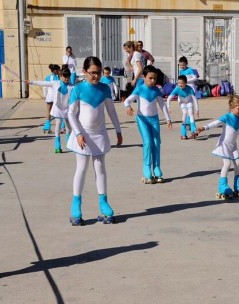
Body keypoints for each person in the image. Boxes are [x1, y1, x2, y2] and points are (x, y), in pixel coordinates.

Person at [67, 56, 122, 226]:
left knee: (100, 168)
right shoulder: (77, 89)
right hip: (83, 135)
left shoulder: (105, 88)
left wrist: (118, 130)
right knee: (81, 169)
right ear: (84, 72)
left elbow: (111, 111)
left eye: (98, 73)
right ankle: (76, 205)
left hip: (99, 134)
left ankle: (103, 202)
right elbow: (70, 114)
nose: (96, 76)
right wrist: (77, 133)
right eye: (92, 73)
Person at [195, 95, 239, 198]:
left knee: (238, 163)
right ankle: (222, 186)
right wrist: (204, 128)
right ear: (232, 107)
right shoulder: (227, 117)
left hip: (233, 145)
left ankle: (238, 185)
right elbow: (216, 123)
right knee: (227, 164)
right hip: (224, 145)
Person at [124, 65, 172, 184]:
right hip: (142, 120)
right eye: (150, 78)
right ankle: (146, 169)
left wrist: (168, 119)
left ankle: (156, 168)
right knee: (148, 142)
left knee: (156, 143)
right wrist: (128, 106)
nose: (152, 81)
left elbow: (162, 105)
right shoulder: (140, 89)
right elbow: (127, 100)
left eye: (154, 79)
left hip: (154, 120)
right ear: (144, 77)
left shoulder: (156, 90)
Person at [28, 67, 74, 153]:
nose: (66, 79)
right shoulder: (55, 83)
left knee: (69, 127)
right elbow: (43, 83)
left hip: (67, 109)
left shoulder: (72, 86)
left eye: (68, 77)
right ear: (60, 76)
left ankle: (69, 143)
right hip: (58, 109)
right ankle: (57, 145)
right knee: (58, 126)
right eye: (64, 77)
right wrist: (31, 82)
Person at [166, 75, 199, 140]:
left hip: (189, 101)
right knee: (185, 113)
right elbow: (169, 98)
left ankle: (193, 130)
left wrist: (197, 109)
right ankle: (183, 134)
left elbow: (195, 99)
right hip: (182, 102)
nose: (180, 85)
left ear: (186, 83)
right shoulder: (177, 89)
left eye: (182, 83)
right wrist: (168, 108)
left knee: (191, 114)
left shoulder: (189, 88)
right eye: (179, 83)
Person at [41, 64, 60, 133]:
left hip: (49, 97)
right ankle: (62, 126)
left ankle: (47, 125)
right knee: (58, 111)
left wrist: (45, 95)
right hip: (56, 97)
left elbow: (44, 87)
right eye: (58, 70)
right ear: (55, 70)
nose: (59, 71)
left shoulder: (47, 77)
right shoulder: (59, 78)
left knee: (48, 111)